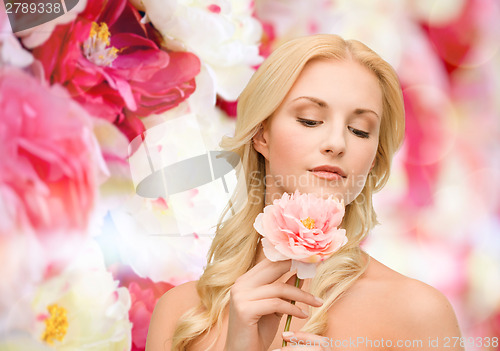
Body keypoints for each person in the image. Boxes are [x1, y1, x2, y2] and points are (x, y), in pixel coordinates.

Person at [145, 34, 463, 351]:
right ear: (261, 134)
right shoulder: (180, 315)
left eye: (360, 130)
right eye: (310, 120)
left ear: (375, 156)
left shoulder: (418, 313)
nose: (337, 143)